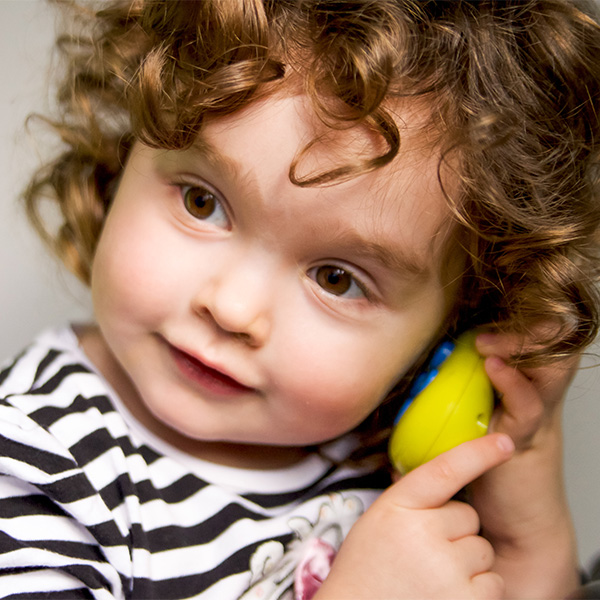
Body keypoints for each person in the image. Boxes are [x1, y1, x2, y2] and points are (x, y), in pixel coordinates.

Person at [1, 0, 599, 598]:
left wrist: (524, 530)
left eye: (337, 279)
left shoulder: (383, 450)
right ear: (128, 148)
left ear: (452, 327)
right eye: (202, 203)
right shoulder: (35, 467)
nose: (233, 309)